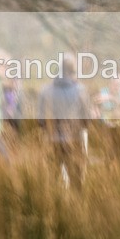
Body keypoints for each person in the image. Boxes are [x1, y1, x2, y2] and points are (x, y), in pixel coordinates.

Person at [37, 53, 90, 190]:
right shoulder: (80, 90)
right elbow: (87, 120)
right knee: (76, 182)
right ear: (73, 70)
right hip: (74, 141)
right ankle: (76, 210)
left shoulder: (44, 90)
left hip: (50, 141)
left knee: (51, 181)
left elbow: (40, 121)